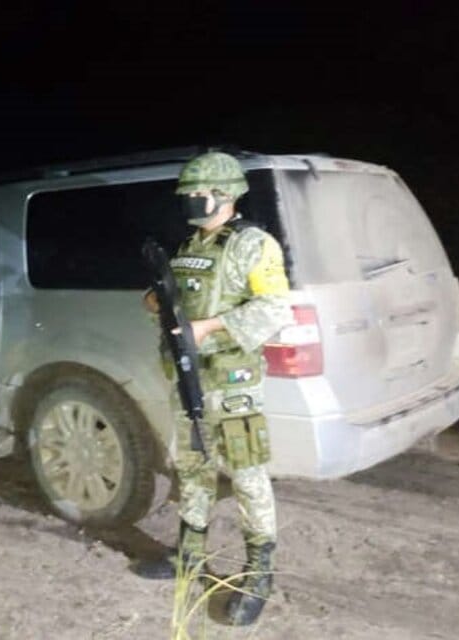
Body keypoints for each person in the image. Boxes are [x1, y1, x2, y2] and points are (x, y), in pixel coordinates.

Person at [134, 152, 293, 627]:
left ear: (226, 194)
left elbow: (274, 309)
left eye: (198, 193)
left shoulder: (253, 244)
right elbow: (177, 298)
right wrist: (156, 301)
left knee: (246, 476)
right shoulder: (190, 246)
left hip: (232, 382)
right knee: (193, 468)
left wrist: (211, 327)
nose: (190, 200)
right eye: (186, 194)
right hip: (189, 380)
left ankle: (259, 575)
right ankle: (189, 555)